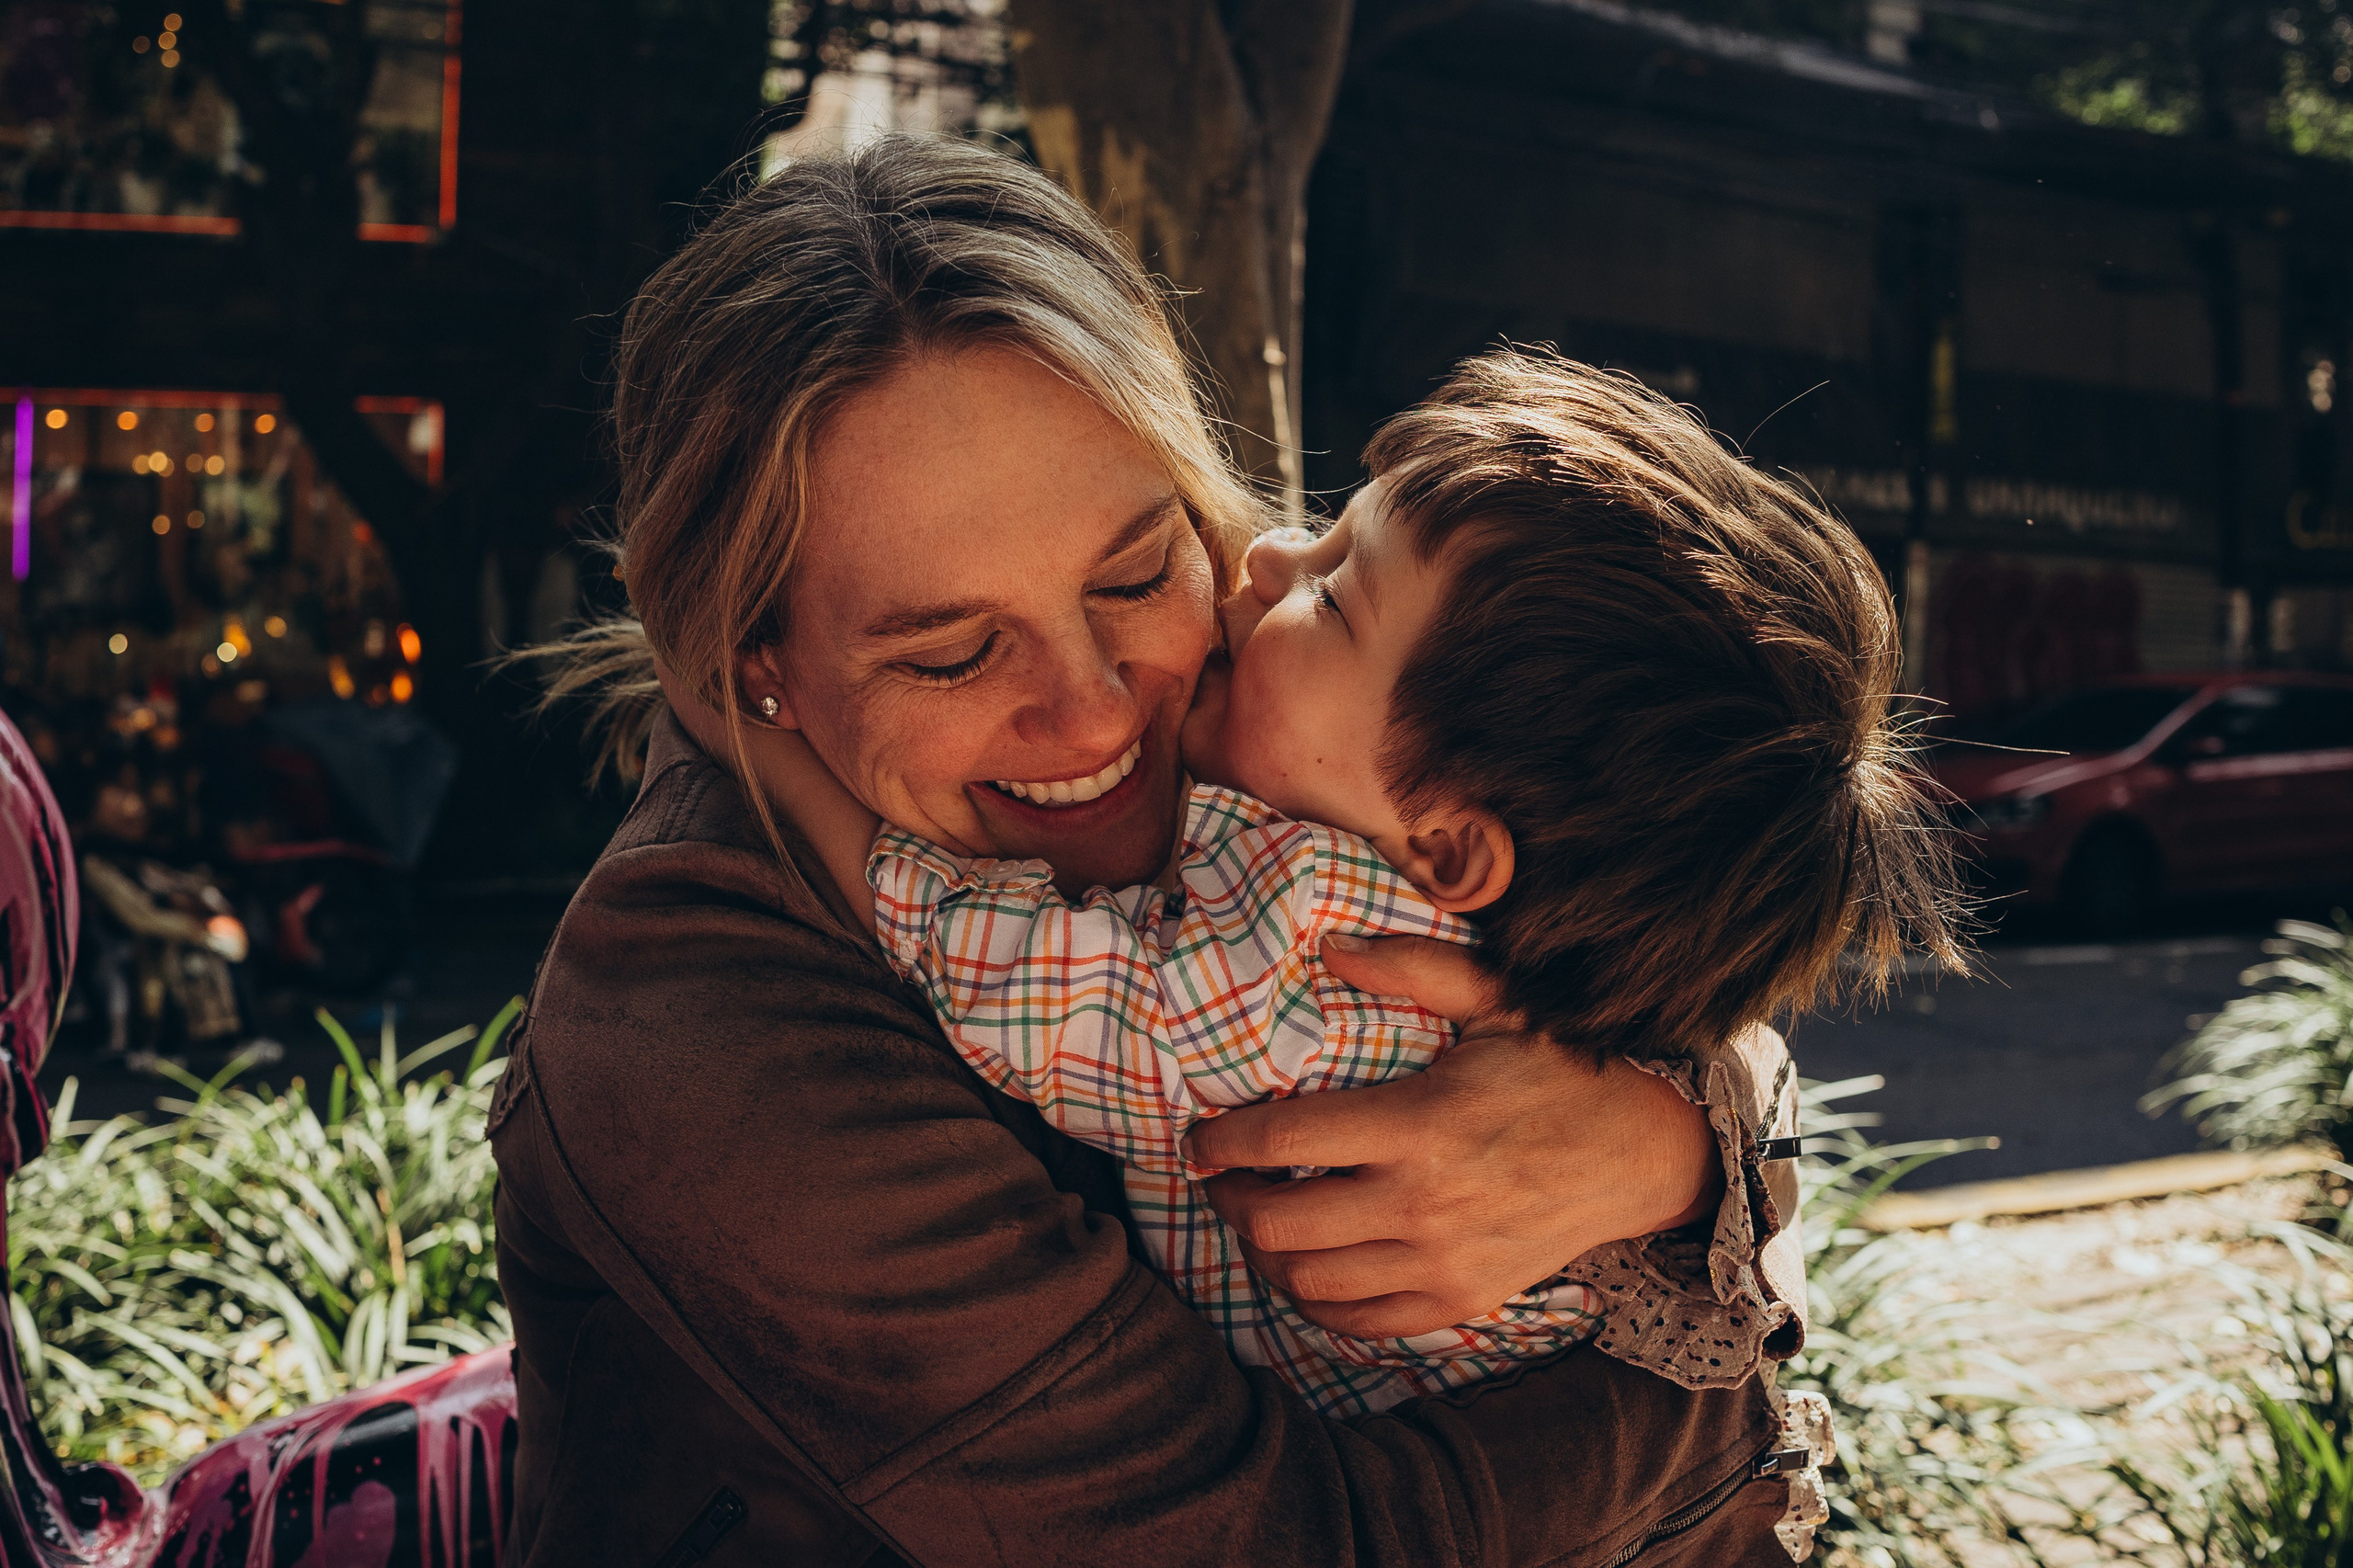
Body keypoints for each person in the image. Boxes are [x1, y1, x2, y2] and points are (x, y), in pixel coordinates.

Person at [494, 136, 1823, 1567]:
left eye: (1136, 571)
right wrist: (1726, 1411)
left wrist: (1670, 1143)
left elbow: (1676, 912)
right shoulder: (696, 1014)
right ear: (745, 656)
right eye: (949, 653)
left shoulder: (1301, 722)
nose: (1097, 708)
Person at [837, 347, 1962, 1426]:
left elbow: (1026, 988)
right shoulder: (1504, 928)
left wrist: (830, 802)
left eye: (1332, 597)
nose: (1269, 555)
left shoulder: (1317, 951)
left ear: (1452, 850)